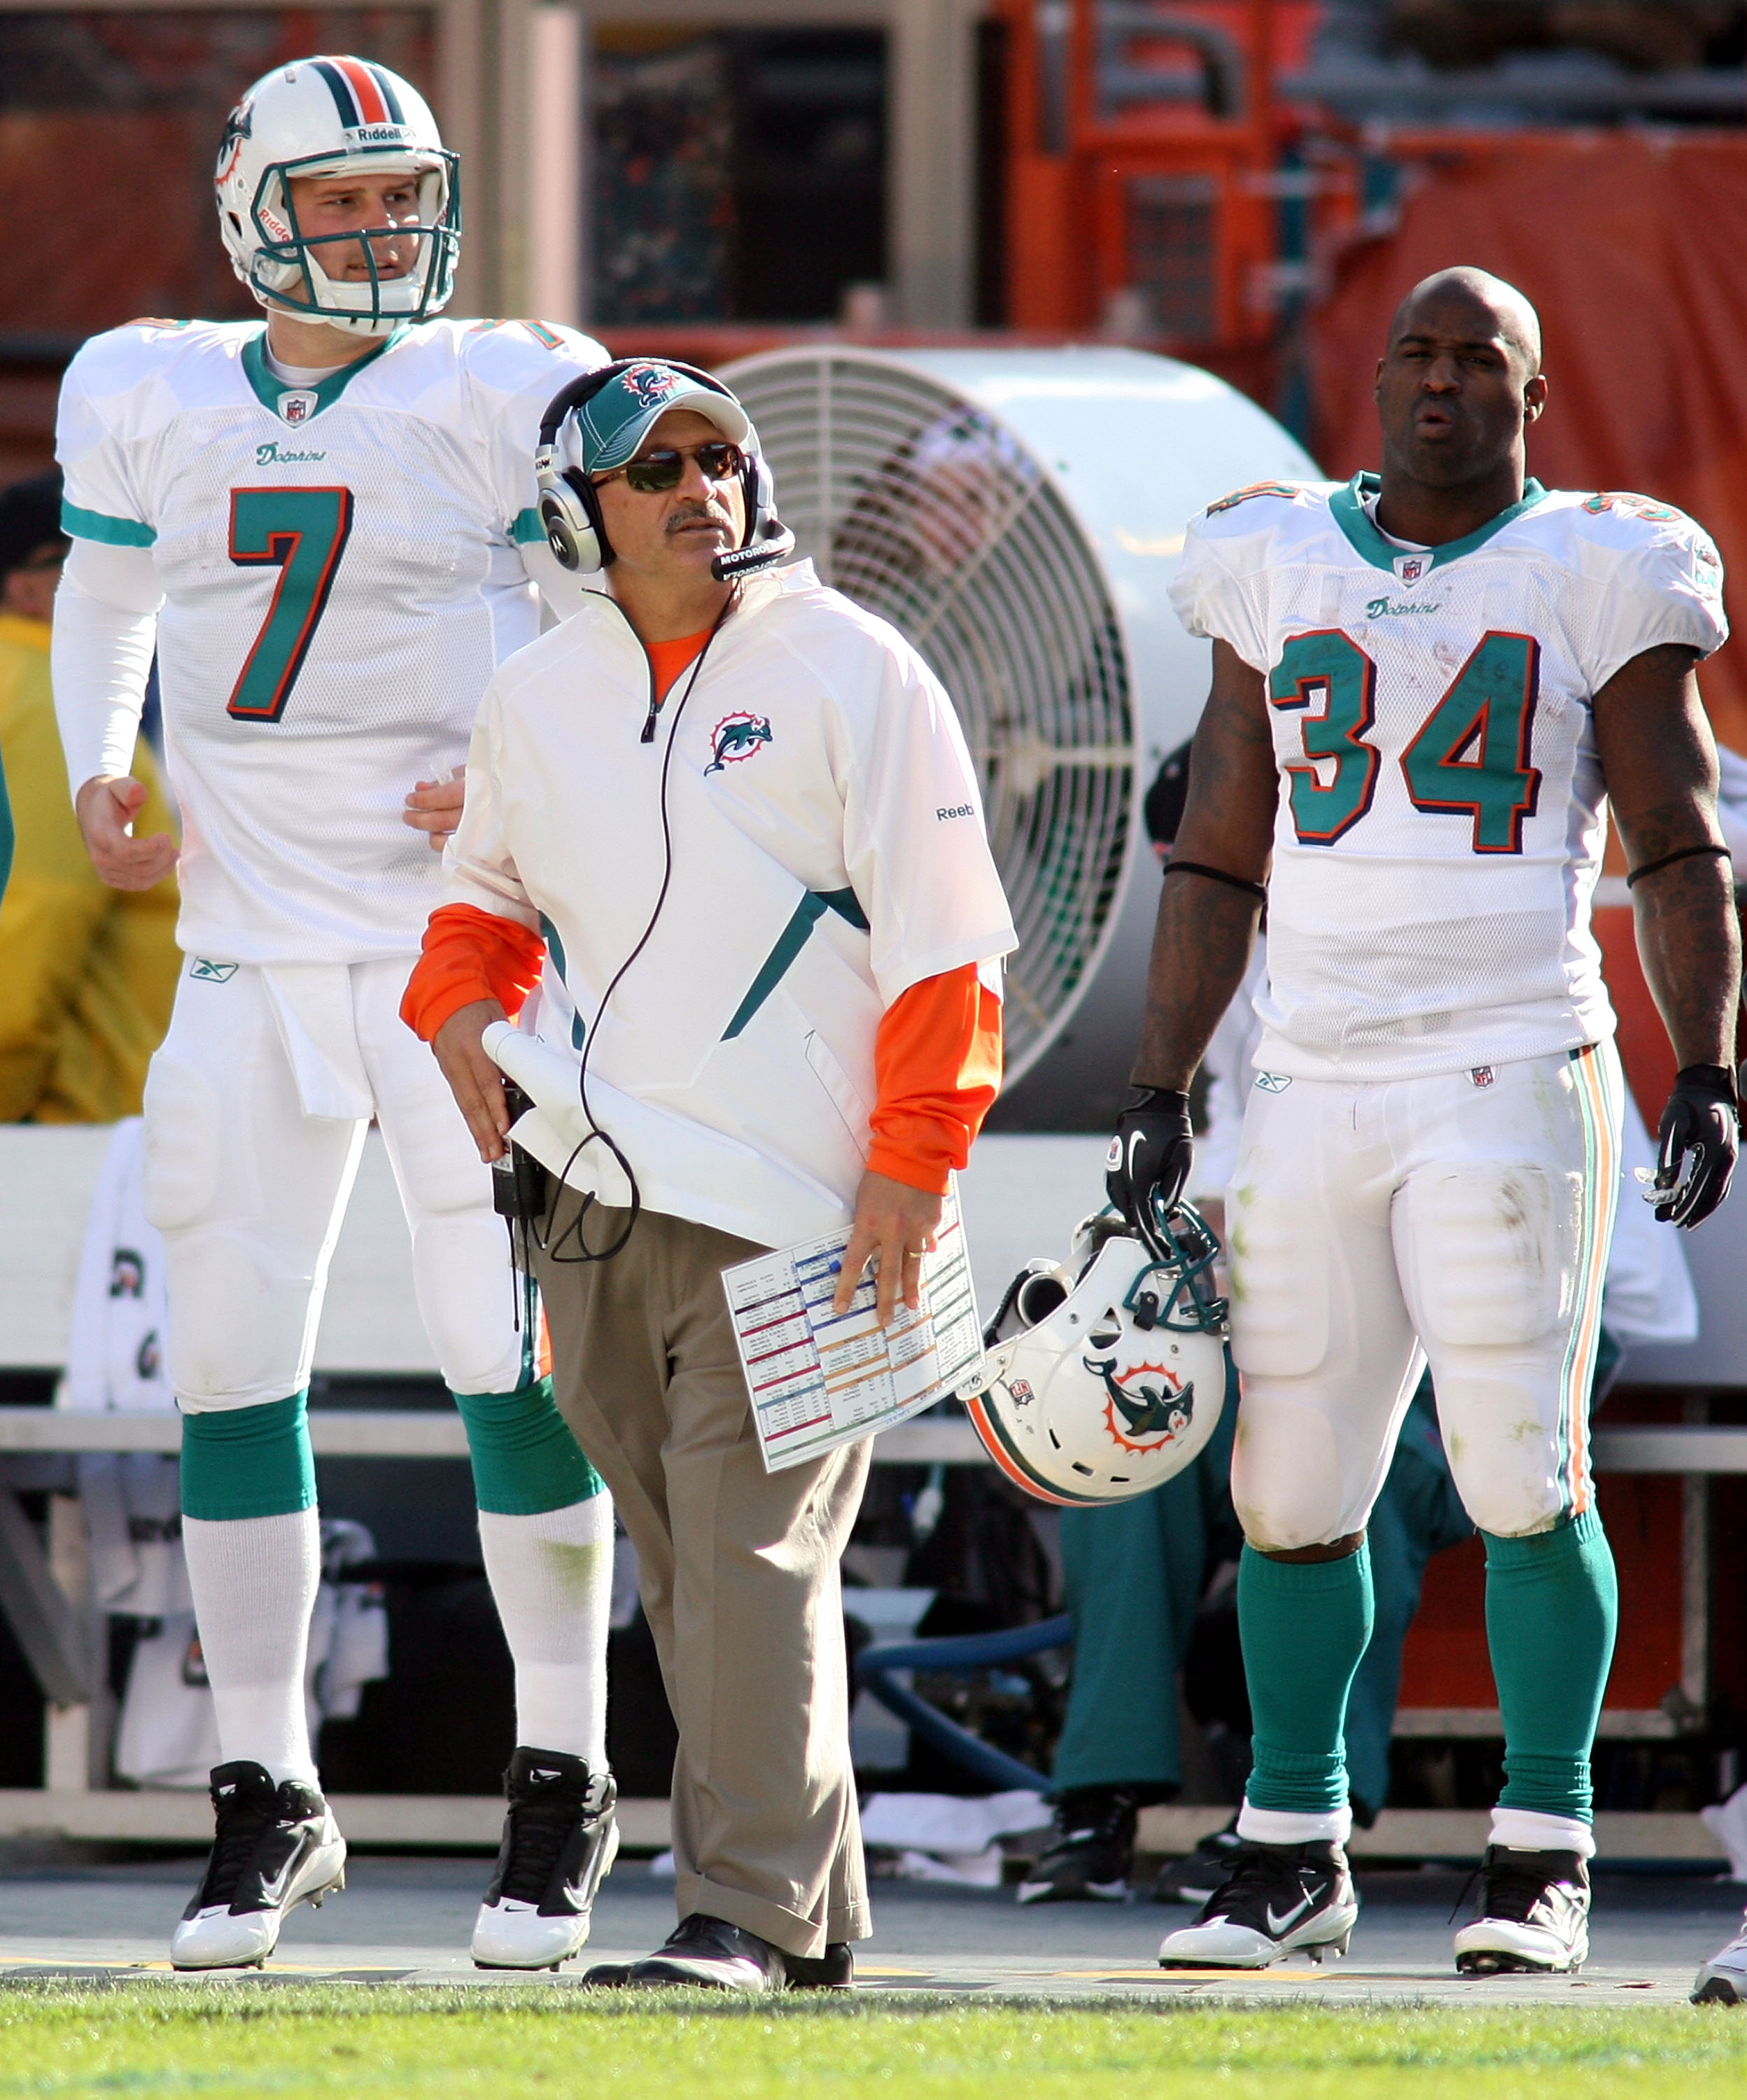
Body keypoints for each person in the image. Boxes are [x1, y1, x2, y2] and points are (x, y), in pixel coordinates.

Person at [52, 56, 619, 1973]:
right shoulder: (148, 385)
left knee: (497, 1354)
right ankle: (267, 1791)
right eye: (345, 202)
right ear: (251, 212)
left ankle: (562, 1778)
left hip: (459, 960)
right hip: (243, 952)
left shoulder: (498, 382)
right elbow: (111, 594)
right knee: (231, 1364)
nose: (385, 233)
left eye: (405, 198)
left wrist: (539, 767)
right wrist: (95, 766)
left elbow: (642, 595)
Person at [1107, 266, 1738, 1975]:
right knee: (1290, 1476)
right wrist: (1161, 1087)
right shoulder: (1271, 553)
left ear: (1535, 398)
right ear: (1373, 378)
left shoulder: (1593, 564)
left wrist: (1706, 1059)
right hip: (1310, 1077)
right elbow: (1217, 851)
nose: (1445, 381)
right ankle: (1289, 1846)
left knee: (1519, 1467)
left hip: (1504, 1064)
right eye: (1420, 353)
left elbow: (1675, 841)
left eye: (1483, 359)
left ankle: (1540, 1849)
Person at [406, 357, 1016, 1992]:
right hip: (591, 1199)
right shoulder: (536, 692)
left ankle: (733, 1909)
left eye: (720, 458)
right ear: (574, 513)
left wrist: (909, 1167)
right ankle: (805, 1915)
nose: (703, 489)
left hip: (810, 1202)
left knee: (749, 1559)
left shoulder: (855, 667)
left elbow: (947, 946)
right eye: (657, 469)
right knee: (693, 1569)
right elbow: (483, 890)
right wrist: (456, 1001)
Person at [0, 469, 180, 1117]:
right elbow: (29, 930)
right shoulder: (50, 700)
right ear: (25, 587)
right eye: (88, 563)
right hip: (66, 1130)